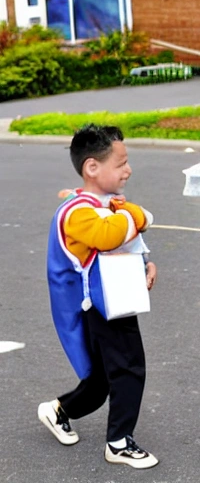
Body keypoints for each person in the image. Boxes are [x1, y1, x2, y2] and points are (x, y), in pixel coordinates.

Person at [38, 124, 159, 469]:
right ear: (92, 167)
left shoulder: (103, 204)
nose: (128, 169)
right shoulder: (79, 211)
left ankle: (59, 410)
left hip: (112, 298)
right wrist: (139, 214)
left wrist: (145, 265)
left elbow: (124, 242)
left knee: (104, 378)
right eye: (121, 163)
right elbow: (109, 236)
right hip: (102, 306)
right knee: (128, 368)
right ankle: (119, 443)